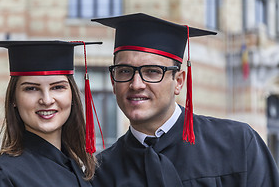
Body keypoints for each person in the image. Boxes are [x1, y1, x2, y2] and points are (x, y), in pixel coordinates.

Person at [90, 13, 279, 187]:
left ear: (179, 81)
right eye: (124, 71)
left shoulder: (237, 144)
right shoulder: (102, 173)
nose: (136, 84)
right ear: (113, 82)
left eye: (152, 72)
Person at [0, 40, 101, 187]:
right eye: (31, 89)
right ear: (14, 98)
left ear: (72, 96)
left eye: (58, 87)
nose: (46, 100)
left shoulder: (81, 171)